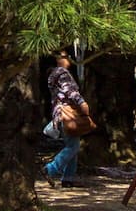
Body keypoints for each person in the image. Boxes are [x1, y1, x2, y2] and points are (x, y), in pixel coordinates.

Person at [45, 53, 94, 187]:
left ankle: (68, 178)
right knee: (74, 146)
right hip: (67, 114)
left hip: (59, 114)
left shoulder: (53, 75)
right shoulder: (62, 73)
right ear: (57, 59)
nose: (68, 58)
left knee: (72, 145)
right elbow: (70, 92)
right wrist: (83, 103)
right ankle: (51, 169)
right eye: (65, 56)